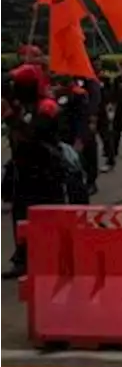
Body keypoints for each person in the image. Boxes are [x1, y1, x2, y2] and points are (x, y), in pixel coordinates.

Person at [1, 65, 69, 279]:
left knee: (50, 216)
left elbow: (34, 135)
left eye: (19, 85)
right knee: (20, 217)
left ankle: (57, 258)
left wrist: (11, 118)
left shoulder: (47, 106)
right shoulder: (20, 104)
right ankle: (22, 259)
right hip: (22, 170)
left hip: (46, 170)